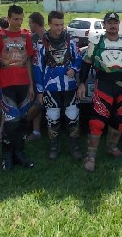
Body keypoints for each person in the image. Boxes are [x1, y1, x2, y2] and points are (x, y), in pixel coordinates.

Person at [77, 12, 122, 172]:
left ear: (119, 24)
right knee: (97, 122)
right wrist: (81, 84)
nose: (113, 26)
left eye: (115, 22)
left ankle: (111, 147)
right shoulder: (96, 42)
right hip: (103, 86)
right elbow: (86, 64)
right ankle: (90, 156)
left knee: (121, 121)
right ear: (104, 24)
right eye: (109, 23)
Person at [0, 5, 36, 170]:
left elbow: (28, 61)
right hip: (5, 85)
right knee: (11, 121)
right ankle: (6, 155)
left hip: (23, 84)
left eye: (21, 19)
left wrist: (31, 85)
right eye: (15, 19)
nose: (18, 22)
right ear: (8, 18)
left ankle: (19, 153)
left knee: (23, 120)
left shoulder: (26, 35)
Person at [34, 11, 83, 160]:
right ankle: (54, 146)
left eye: (62, 24)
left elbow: (79, 58)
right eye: (56, 25)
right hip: (50, 86)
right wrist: (40, 91)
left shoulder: (71, 39)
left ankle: (75, 146)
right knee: (52, 117)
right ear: (49, 24)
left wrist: (74, 69)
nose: (59, 28)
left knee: (73, 116)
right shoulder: (41, 43)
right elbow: (38, 67)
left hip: (70, 85)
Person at [26, 12, 45, 141]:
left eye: (30, 23)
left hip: (48, 75)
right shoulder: (31, 38)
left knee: (41, 102)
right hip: (34, 74)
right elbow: (28, 58)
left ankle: (22, 124)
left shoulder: (49, 37)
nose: (29, 25)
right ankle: (36, 131)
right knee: (35, 101)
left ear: (36, 23)